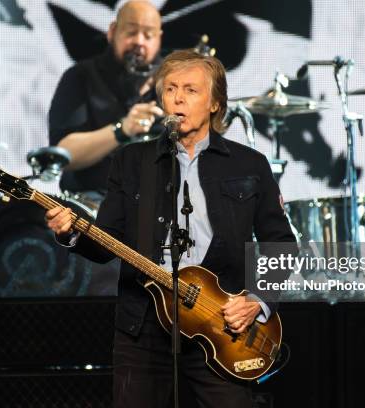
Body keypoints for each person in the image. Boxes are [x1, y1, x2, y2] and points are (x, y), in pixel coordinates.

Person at [46, 49, 295, 407]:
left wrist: (256, 301)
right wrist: (70, 232)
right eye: (171, 89)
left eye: (191, 90)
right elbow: (105, 245)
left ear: (215, 103)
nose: (177, 98)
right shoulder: (132, 161)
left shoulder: (249, 164)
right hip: (143, 325)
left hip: (221, 321)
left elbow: (280, 245)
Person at [48, 0, 164, 194]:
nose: (139, 41)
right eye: (131, 32)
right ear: (112, 32)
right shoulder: (80, 76)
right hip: (92, 203)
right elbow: (63, 153)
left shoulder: (173, 84)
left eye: (148, 35)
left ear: (159, 39)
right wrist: (122, 130)